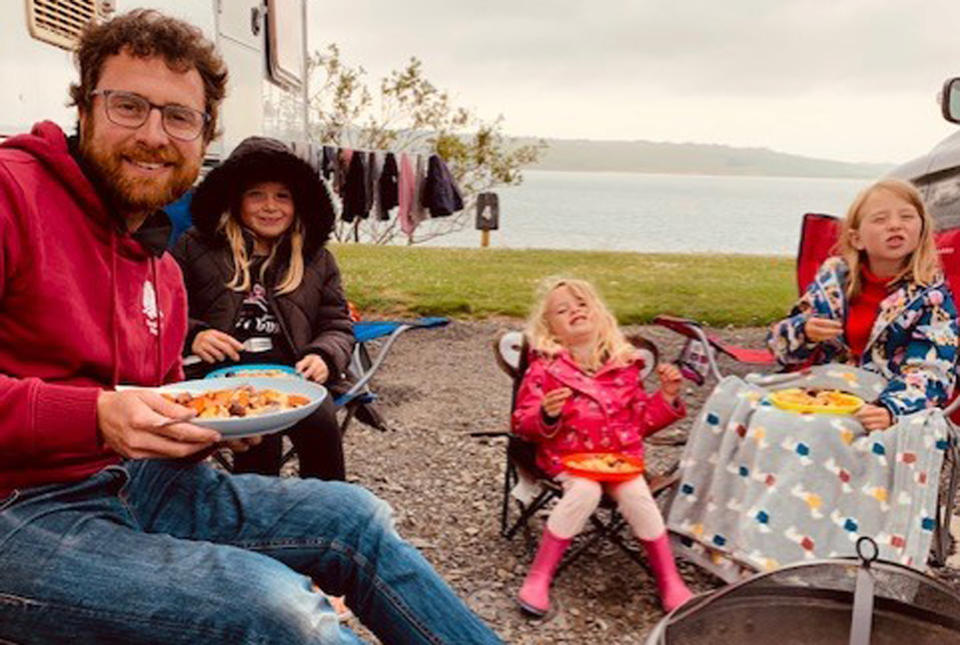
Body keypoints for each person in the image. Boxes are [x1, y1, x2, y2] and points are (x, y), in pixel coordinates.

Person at [0, 10, 501, 644]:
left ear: (203, 134)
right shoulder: (11, 196)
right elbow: (103, 408)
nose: (154, 134)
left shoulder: (163, 269)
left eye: (179, 116)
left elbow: (161, 398)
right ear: (85, 109)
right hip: (17, 509)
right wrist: (93, 414)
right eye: (129, 106)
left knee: (357, 516)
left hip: (135, 480)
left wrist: (200, 429)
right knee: (278, 608)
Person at [171, 135, 351, 480]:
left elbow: (337, 324)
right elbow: (165, 309)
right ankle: (254, 513)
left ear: (299, 203)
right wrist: (194, 334)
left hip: (293, 370)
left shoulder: (316, 259)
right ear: (235, 200)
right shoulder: (195, 247)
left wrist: (325, 356)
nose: (271, 206)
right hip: (216, 372)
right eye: (256, 194)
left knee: (321, 417)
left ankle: (331, 505)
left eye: (282, 196)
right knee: (255, 429)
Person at [511, 278, 693, 616]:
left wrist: (666, 397)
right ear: (550, 328)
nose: (574, 311)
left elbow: (640, 422)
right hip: (568, 458)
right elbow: (521, 423)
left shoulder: (624, 367)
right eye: (562, 310)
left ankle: (669, 579)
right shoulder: (544, 369)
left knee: (638, 495)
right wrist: (546, 413)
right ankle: (539, 576)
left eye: (582, 304)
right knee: (584, 493)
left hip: (618, 460)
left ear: (600, 314)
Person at [768, 178, 959, 429]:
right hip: (823, 394)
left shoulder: (931, 297)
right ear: (857, 239)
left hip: (886, 403)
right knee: (746, 408)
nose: (894, 225)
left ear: (922, 231)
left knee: (819, 434)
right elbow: (779, 348)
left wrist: (892, 409)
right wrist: (804, 331)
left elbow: (932, 368)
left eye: (906, 217)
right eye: (880, 219)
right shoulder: (833, 282)